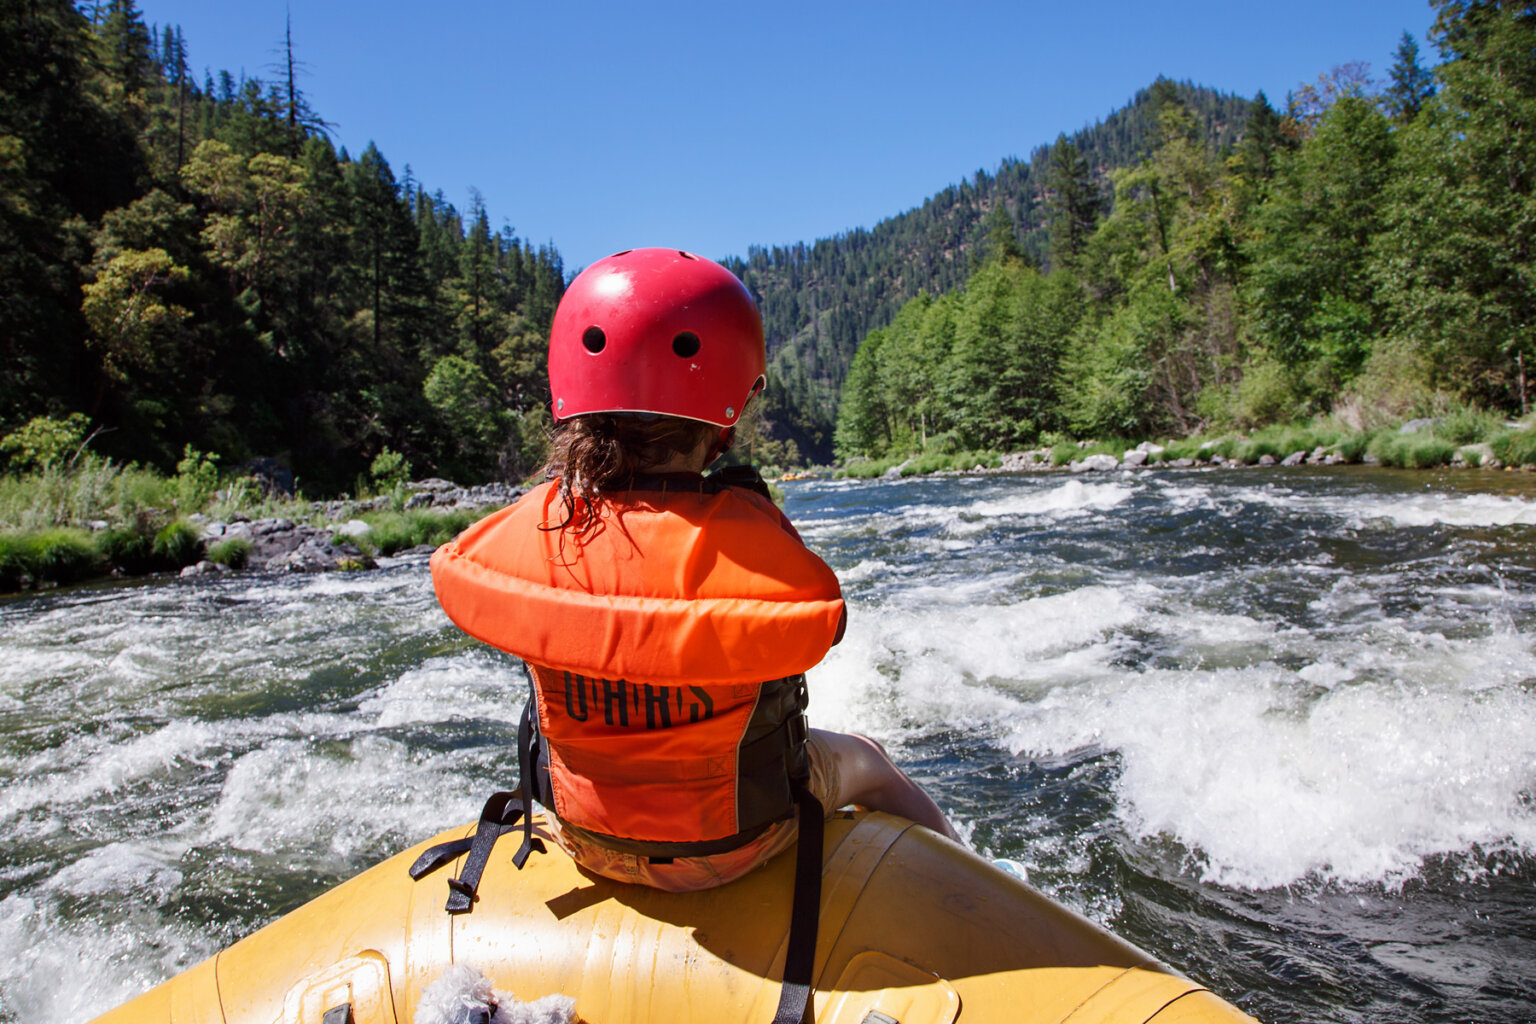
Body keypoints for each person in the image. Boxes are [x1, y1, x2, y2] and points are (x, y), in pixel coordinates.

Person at [431, 247, 958, 893]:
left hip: (584, 839)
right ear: (727, 419)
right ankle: (983, 881)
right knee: (869, 759)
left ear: (573, 406)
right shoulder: (750, 532)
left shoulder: (534, 526)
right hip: (735, 845)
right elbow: (820, 620)